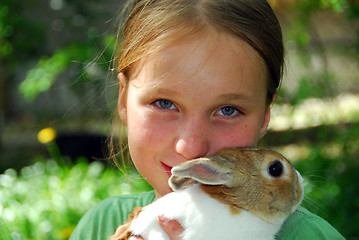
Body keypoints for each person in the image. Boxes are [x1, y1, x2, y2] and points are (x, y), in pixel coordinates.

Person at [70, 0, 345, 239]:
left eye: (227, 110)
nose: (190, 147)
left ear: (264, 116)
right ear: (123, 100)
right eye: (164, 103)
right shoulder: (100, 225)